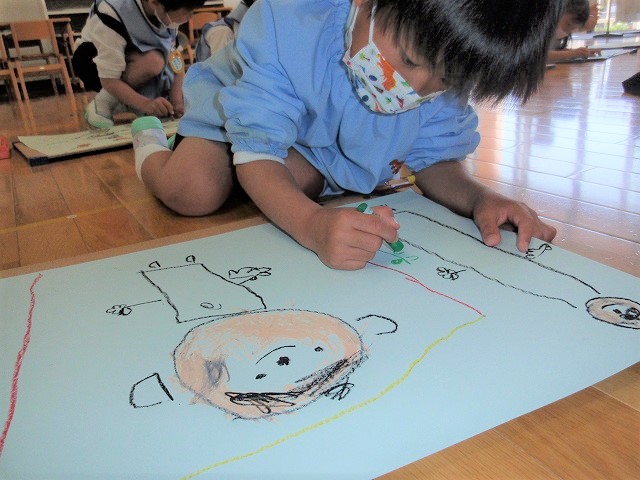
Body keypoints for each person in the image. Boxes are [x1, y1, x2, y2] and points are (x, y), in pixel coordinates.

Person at [131, 0, 559, 271]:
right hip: (234, 107)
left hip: (311, 141)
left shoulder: (441, 67)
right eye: (410, 60)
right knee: (194, 191)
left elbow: (436, 160)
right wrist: (311, 225)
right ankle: (149, 141)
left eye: (444, 78)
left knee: (293, 182)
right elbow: (258, 151)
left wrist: (480, 198)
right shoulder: (288, 22)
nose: (416, 88)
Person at [72, 0, 206, 128]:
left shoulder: (167, 11)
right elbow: (109, 79)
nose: (190, 16)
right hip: (94, 64)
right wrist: (146, 104)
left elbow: (175, 57)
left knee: (161, 70)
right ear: (154, 2)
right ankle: (103, 102)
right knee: (154, 61)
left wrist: (177, 101)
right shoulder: (112, 12)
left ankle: (128, 102)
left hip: (136, 59)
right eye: (186, 12)